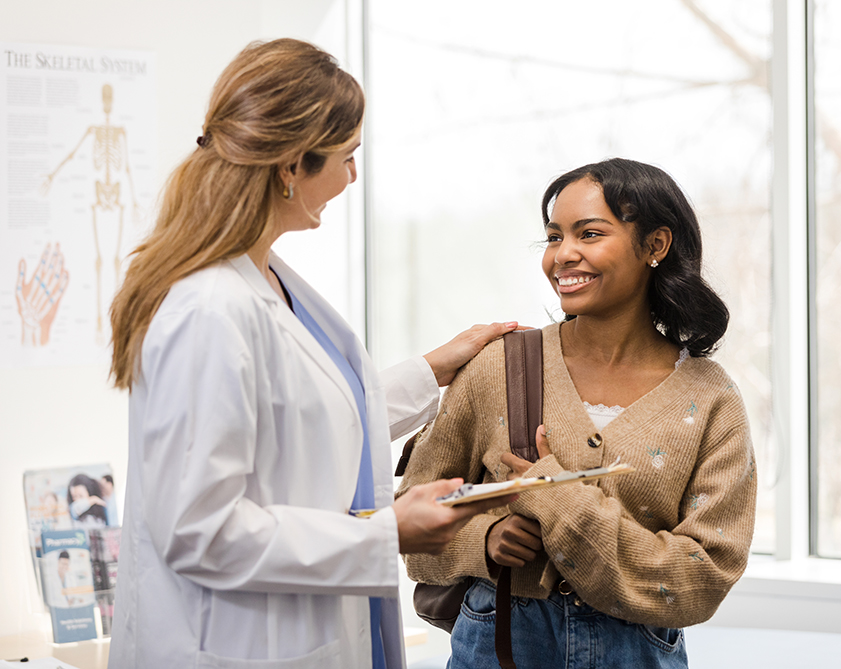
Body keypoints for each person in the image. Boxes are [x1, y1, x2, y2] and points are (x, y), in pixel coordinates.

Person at [106, 39, 517, 669]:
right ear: (292, 165)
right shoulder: (210, 309)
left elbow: (300, 430)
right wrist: (389, 533)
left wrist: (434, 369)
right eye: (347, 158)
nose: (353, 177)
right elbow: (198, 530)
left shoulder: (265, 279)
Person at [399, 158, 757, 668]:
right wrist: (484, 539)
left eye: (589, 234)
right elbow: (410, 517)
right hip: (498, 646)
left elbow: (703, 579)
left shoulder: (710, 399)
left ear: (656, 245)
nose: (563, 255)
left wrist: (558, 499)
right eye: (553, 237)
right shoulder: (499, 367)